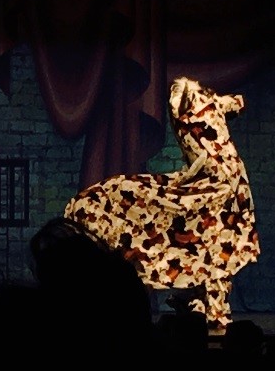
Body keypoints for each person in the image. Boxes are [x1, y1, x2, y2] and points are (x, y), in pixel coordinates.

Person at [64, 76, 260, 331]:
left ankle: (206, 303)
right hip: (217, 184)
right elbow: (212, 108)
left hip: (226, 183)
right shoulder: (188, 109)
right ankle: (206, 303)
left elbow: (237, 104)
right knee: (207, 235)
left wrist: (211, 100)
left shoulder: (205, 105)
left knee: (214, 238)